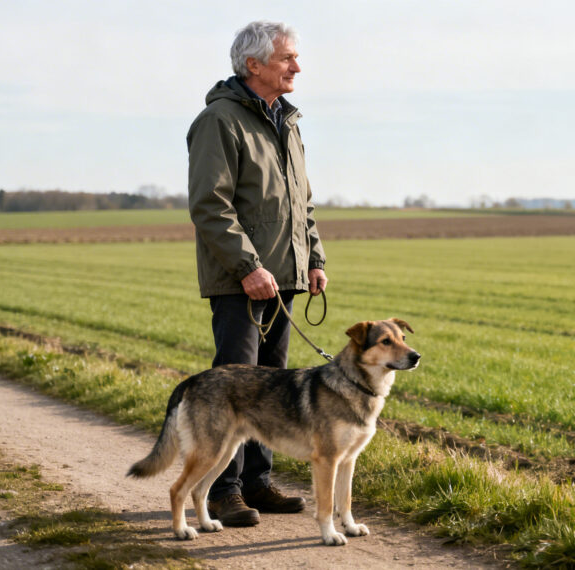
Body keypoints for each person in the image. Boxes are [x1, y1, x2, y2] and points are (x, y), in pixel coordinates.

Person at [186, 20, 328, 528]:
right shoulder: (219, 120)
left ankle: (257, 483)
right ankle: (222, 490)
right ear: (254, 65)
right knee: (235, 388)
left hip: (285, 277)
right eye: (287, 58)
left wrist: (313, 258)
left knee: (272, 387)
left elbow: (300, 203)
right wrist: (248, 267)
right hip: (239, 281)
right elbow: (211, 206)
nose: (296, 66)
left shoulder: (287, 122)